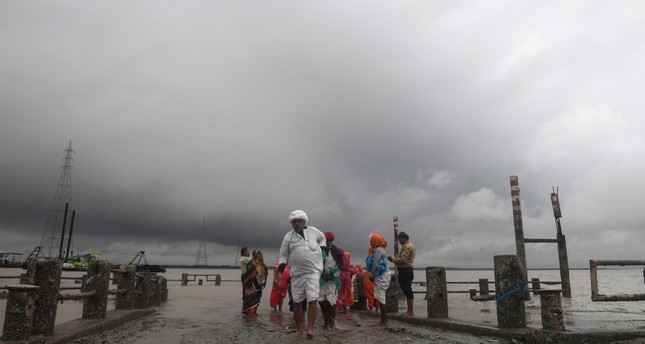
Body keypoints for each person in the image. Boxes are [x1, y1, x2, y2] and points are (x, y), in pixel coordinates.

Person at [277, 210, 326, 338]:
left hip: (313, 272)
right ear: (291, 224)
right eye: (294, 222)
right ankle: (299, 329)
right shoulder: (288, 237)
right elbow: (283, 256)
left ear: (304, 221)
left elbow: (322, 238)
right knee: (297, 302)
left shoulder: (314, 231)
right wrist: (280, 272)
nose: (297, 224)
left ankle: (310, 328)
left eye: (299, 221)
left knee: (312, 299)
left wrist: (322, 250)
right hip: (297, 274)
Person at [388, 231, 416, 316]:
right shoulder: (411, 245)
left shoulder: (407, 246)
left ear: (403, 238)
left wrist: (393, 260)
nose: (399, 242)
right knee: (407, 290)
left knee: (407, 290)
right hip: (408, 269)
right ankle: (410, 310)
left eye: (400, 239)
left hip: (405, 270)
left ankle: (410, 311)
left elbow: (403, 259)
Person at [366, 233, 391, 326]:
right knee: (381, 296)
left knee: (380, 297)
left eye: (371, 241)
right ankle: (384, 319)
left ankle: (384, 320)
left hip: (382, 276)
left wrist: (372, 276)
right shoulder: (382, 249)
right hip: (384, 275)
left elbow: (375, 264)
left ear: (375, 242)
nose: (370, 243)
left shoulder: (378, 250)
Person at [319, 232, 341, 330]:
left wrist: (332, 275)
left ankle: (328, 323)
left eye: (330, 241)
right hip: (320, 281)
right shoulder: (319, 251)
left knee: (331, 302)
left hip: (332, 281)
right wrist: (322, 274)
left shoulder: (336, 252)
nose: (328, 242)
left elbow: (340, 265)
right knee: (322, 302)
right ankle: (328, 321)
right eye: (326, 241)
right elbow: (315, 265)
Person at [242, 249, 268, 316]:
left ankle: (253, 315)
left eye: (260, 254)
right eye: (257, 254)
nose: (259, 255)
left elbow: (264, 274)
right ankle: (250, 320)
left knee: (256, 302)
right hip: (252, 287)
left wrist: (262, 284)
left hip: (259, 287)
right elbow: (250, 275)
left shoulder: (262, 264)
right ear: (254, 255)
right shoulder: (252, 263)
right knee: (251, 303)